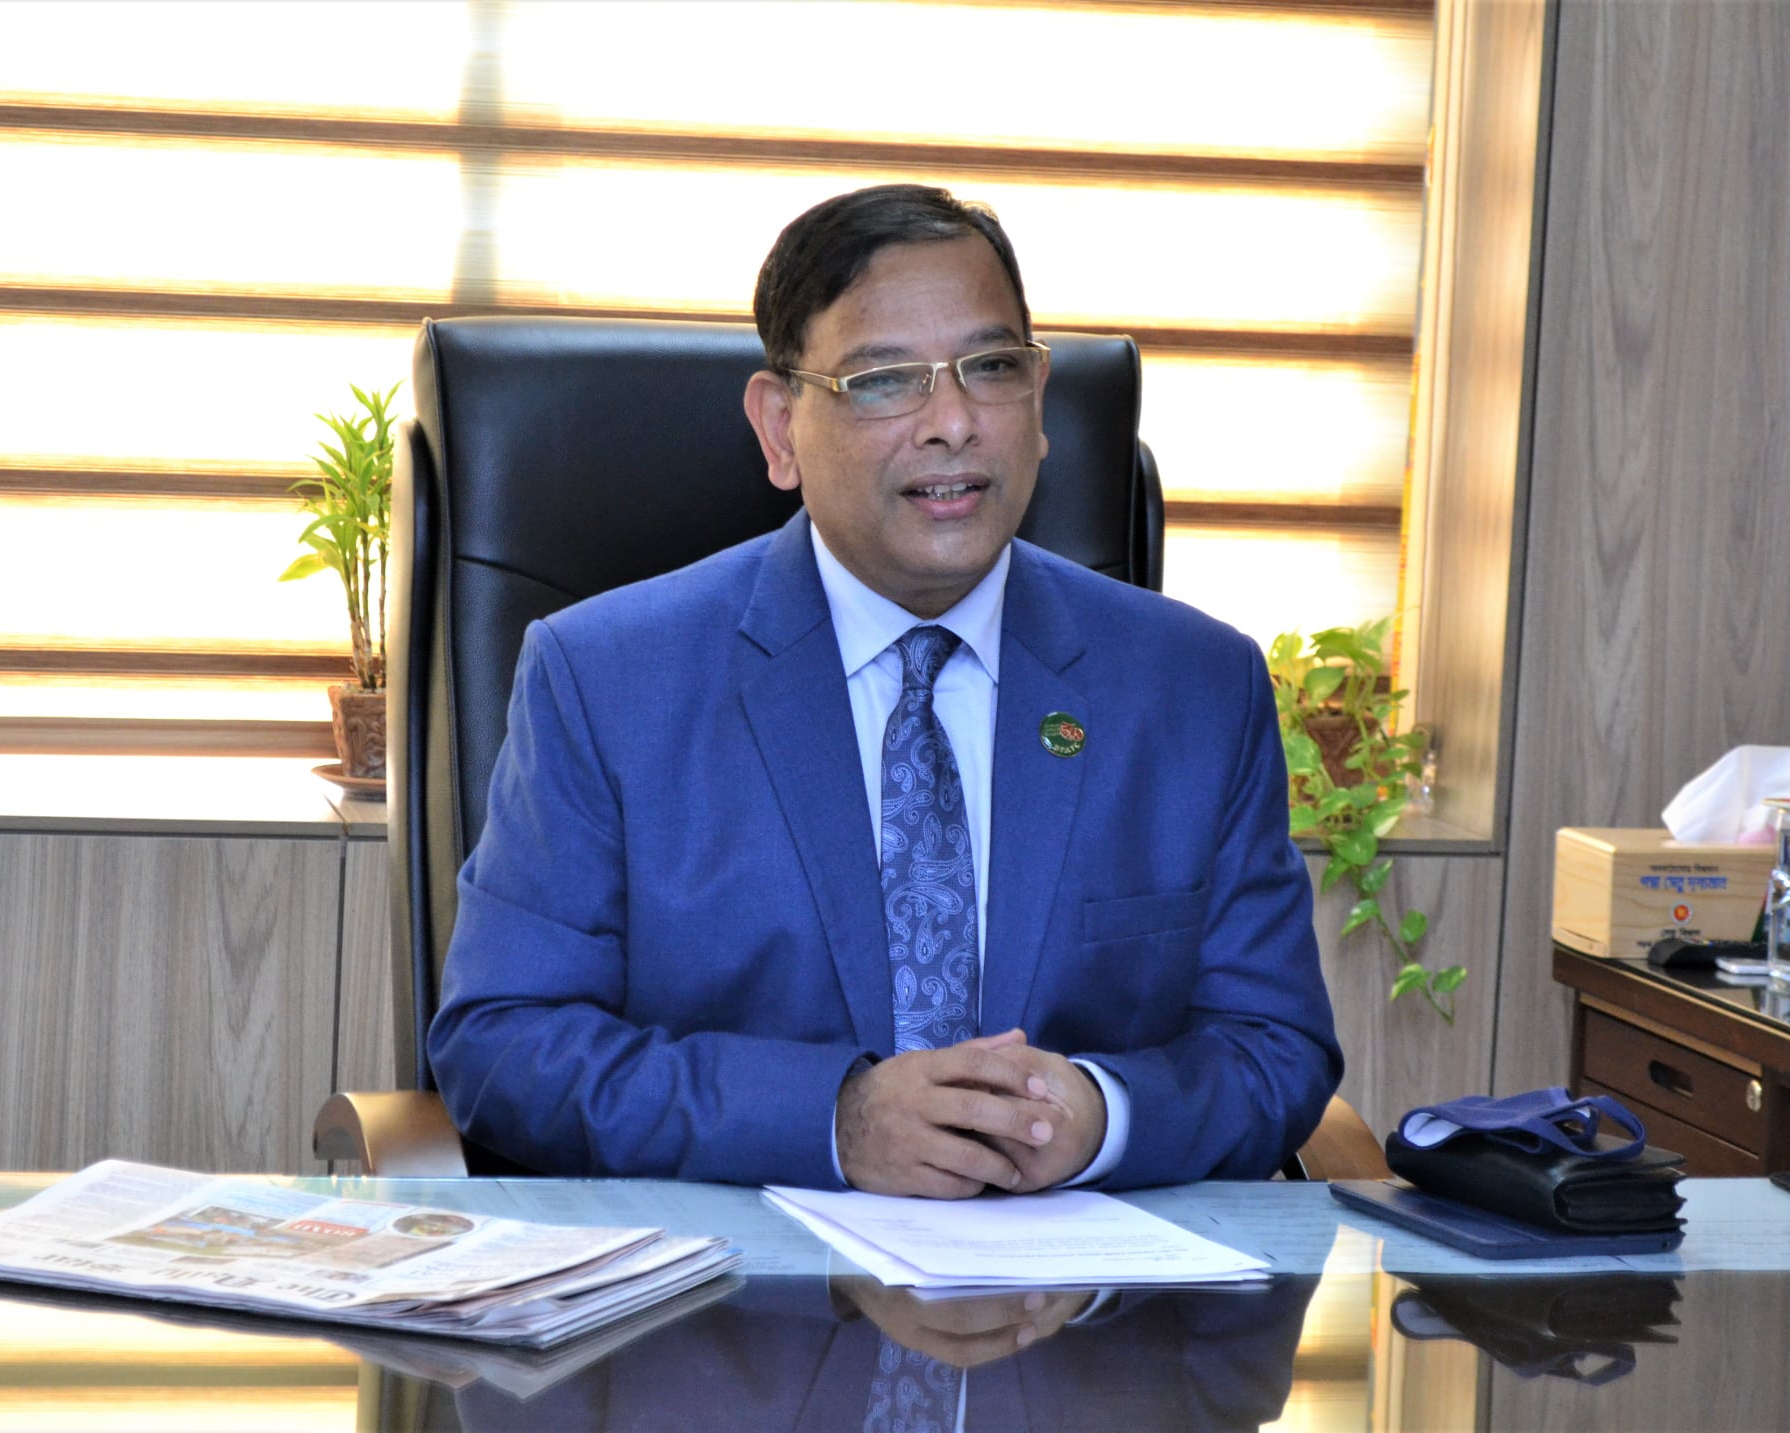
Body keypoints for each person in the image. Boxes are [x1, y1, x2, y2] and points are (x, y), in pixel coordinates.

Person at [427, 183, 1340, 1197]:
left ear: (1039, 400)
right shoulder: (606, 681)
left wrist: (1104, 1113)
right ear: (780, 428)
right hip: (741, 1282)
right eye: (883, 380)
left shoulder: (1195, 689)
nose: (952, 422)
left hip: (1085, 1280)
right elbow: (504, 1042)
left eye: (992, 368)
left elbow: (1275, 1044)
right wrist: (833, 1121)